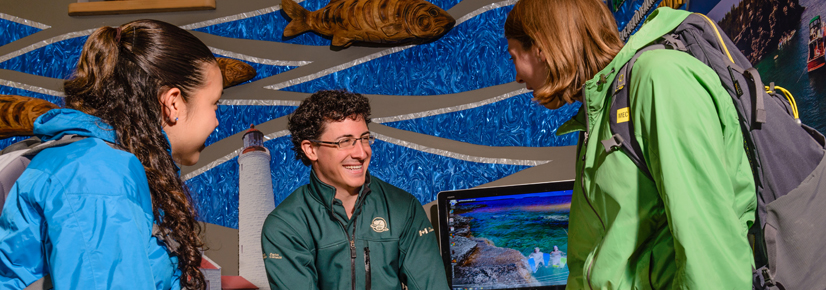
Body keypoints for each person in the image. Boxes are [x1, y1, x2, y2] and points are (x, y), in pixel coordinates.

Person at [504, 1, 756, 289]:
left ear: (540, 46)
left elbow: (712, 259)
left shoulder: (659, 79)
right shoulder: (598, 115)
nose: (517, 76)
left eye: (514, 57)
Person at [0, 19, 221, 289]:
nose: (216, 121)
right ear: (173, 102)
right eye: (214, 103)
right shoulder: (98, 174)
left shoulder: (92, 161)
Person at [261, 90, 448, 290]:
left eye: (365, 138)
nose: (361, 152)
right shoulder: (285, 225)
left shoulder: (405, 208)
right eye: (345, 141)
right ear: (311, 149)